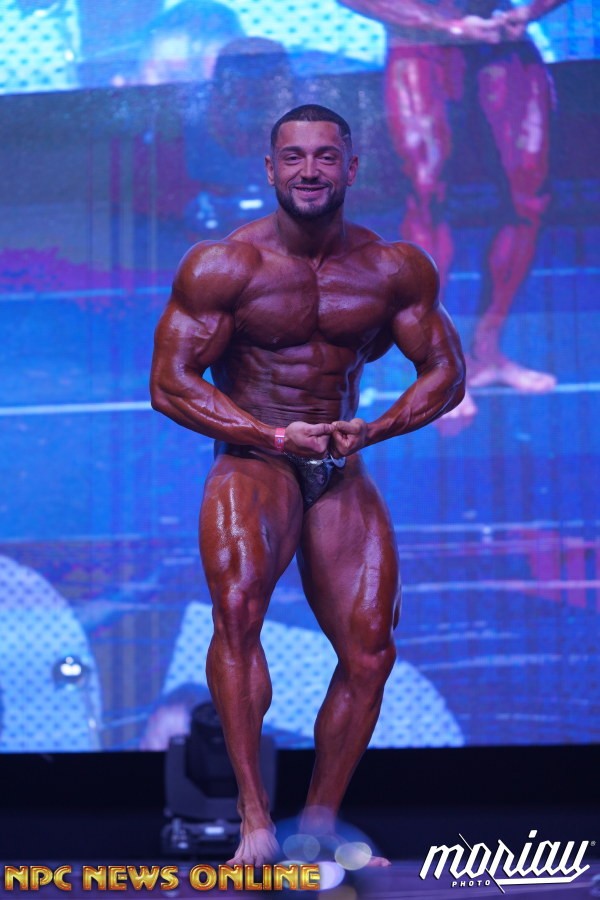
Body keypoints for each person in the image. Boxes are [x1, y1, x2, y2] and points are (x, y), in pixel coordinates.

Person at [150, 104, 465, 866]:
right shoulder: (225, 265)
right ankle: (255, 820)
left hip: (338, 459)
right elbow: (169, 383)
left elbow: (447, 373)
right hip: (254, 457)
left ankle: (317, 826)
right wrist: (269, 435)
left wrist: (372, 429)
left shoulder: (393, 268)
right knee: (237, 613)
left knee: (370, 652)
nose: (310, 170)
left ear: (351, 169)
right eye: (293, 157)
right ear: (270, 170)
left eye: (326, 156)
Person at [338, 0, 566, 428]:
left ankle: (487, 351)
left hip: (502, 42)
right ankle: (438, 366)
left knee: (528, 199)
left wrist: (528, 13)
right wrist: (446, 25)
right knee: (427, 195)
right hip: (419, 44)